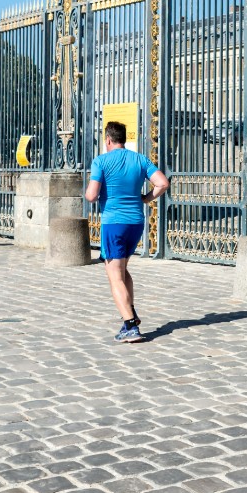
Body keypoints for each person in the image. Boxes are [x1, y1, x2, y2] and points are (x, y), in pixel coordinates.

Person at [84, 121, 169, 343]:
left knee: (114, 276)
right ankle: (129, 313)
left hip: (114, 222)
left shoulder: (100, 161)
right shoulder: (140, 159)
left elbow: (91, 196)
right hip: (136, 222)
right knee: (122, 271)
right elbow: (162, 183)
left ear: (108, 140)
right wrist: (146, 198)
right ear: (124, 139)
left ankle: (130, 325)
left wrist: (93, 191)